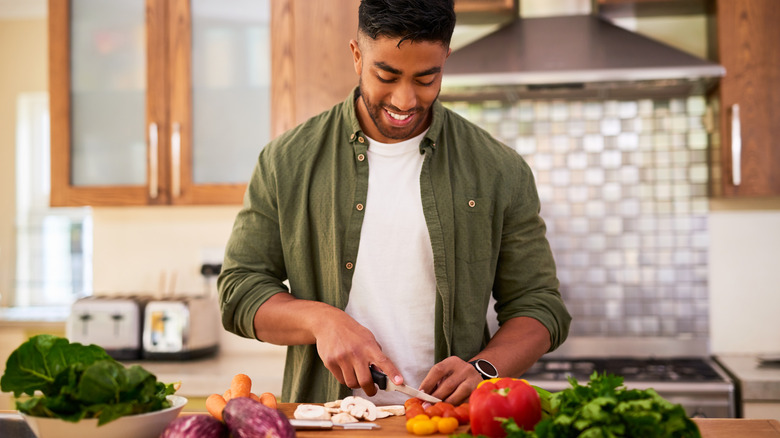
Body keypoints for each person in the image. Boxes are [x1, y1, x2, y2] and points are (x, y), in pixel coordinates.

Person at [218, 0, 571, 405]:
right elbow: (238, 291)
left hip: (448, 426)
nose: (405, 101)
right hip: (328, 424)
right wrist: (320, 321)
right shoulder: (286, 162)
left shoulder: (497, 169)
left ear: (446, 60)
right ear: (356, 56)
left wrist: (484, 369)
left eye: (426, 78)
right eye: (386, 75)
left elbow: (539, 305)